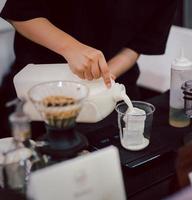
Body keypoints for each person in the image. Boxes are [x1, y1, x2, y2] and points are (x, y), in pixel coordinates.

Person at [0, 0, 177, 137]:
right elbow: (19, 12)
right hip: (43, 90)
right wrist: (69, 47)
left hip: (114, 89)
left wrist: (106, 76)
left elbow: (138, 45)